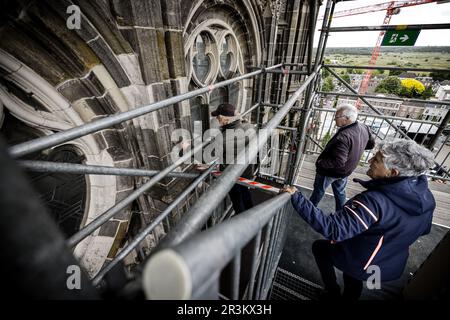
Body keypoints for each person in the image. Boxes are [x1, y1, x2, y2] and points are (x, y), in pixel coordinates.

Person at [281, 139, 436, 300]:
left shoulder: (374, 202)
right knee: (356, 280)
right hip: (388, 262)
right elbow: (424, 230)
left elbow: (333, 229)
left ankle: (332, 292)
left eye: (376, 160)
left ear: (393, 172)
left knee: (320, 248)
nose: (369, 161)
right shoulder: (426, 197)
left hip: (363, 260)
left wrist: (297, 197)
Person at [310, 104, 375, 211]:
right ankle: (341, 212)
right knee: (340, 192)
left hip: (330, 172)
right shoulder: (364, 127)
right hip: (346, 170)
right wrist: (355, 148)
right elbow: (371, 145)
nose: (334, 119)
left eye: (336, 117)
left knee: (319, 190)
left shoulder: (343, 137)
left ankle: (310, 209)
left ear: (346, 119)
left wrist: (320, 163)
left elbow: (338, 162)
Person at [211, 103, 256, 214]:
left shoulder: (224, 138)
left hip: (232, 174)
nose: (216, 119)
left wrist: (186, 148)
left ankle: (242, 223)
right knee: (245, 193)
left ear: (225, 119)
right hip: (246, 171)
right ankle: (250, 214)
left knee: (237, 200)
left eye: (218, 117)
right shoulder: (249, 126)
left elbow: (205, 156)